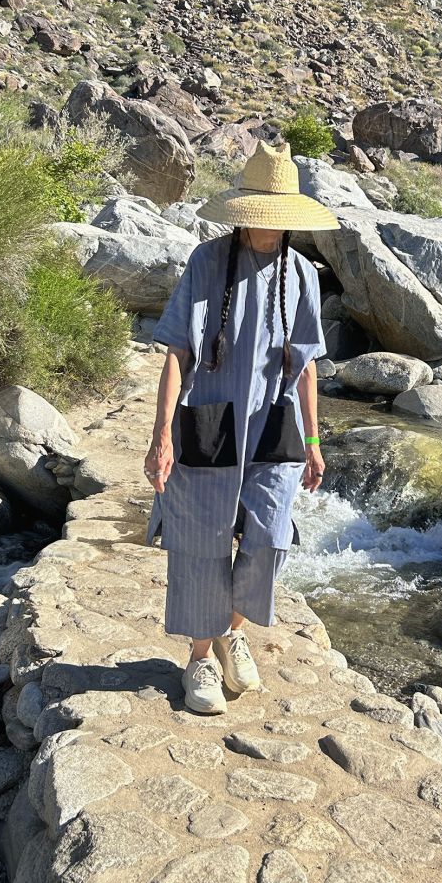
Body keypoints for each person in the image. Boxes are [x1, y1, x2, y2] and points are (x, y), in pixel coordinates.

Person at [143, 140, 340, 714]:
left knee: (269, 538)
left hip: (273, 427)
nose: (272, 228)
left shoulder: (302, 273)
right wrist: (160, 437)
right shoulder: (207, 262)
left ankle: (232, 632)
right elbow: (177, 352)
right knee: (201, 543)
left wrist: (312, 440)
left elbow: (303, 365)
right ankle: (200, 659)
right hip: (208, 422)